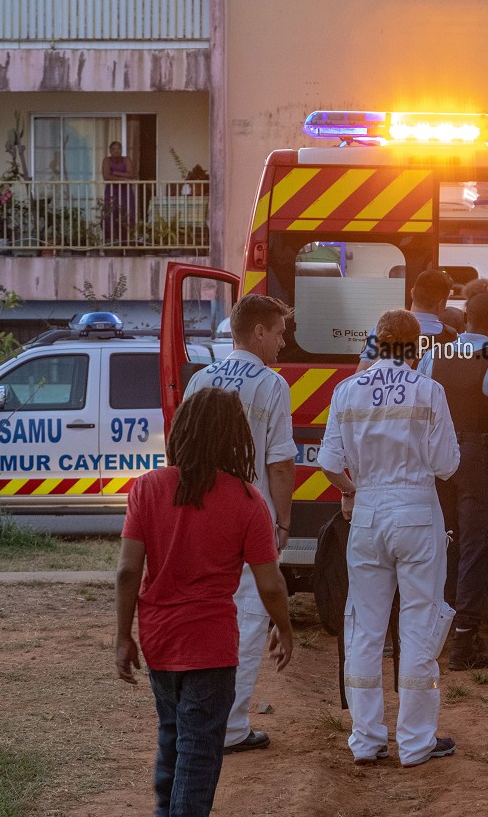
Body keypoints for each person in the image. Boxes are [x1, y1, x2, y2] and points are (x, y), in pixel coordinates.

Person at [115, 388, 293, 816]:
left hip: (159, 641)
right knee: (198, 755)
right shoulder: (249, 501)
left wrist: (122, 637)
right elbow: (270, 585)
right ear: (236, 440)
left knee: (173, 741)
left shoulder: (147, 488)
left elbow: (126, 571)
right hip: (211, 647)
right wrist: (285, 628)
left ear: (183, 431)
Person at [319, 309, 462, 767]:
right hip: (418, 511)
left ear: (376, 342)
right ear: (417, 345)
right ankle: (417, 742)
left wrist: (352, 490)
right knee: (420, 623)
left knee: (364, 628)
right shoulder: (430, 390)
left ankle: (366, 740)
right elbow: (447, 466)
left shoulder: (347, 390)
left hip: (367, 512)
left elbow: (327, 462)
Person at [182, 295, 296, 754]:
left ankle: (196, 712)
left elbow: (180, 446)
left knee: (202, 611)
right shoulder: (271, 385)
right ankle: (230, 727)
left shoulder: (201, 379)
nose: (284, 342)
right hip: (248, 513)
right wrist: (282, 521)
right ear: (259, 332)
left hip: (198, 511)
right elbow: (282, 463)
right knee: (248, 618)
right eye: (280, 332)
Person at [420, 293, 488, 670]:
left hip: (437, 457)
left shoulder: (434, 357)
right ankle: (464, 644)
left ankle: (438, 634)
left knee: (443, 543)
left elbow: (424, 412)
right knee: (474, 550)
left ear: (464, 319)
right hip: (477, 459)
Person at [356, 269, 456, 371]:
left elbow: (361, 374)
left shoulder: (379, 330)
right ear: (441, 304)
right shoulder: (451, 337)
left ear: (412, 293)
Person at [102, 141, 139, 245]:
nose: (116, 151)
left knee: (127, 212)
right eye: (113, 149)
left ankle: (127, 240)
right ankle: (111, 240)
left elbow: (131, 175)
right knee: (111, 213)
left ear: (121, 150)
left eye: (118, 148)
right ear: (110, 150)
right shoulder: (107, 160)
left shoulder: (126, 159)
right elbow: (106, 176)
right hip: (112, 190)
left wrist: (116, 173)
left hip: (126, 191)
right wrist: (124, 178)